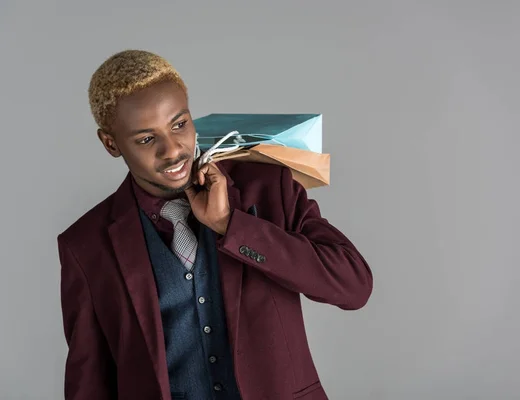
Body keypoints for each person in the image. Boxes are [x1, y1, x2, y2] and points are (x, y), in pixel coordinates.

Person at [57, 49, 373, 400]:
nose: (172, 149)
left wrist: (230, 224)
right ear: (111, 144)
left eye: (179, 124)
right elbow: (88, 383)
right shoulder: (85, 245)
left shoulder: (267, 188)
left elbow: (353, 286)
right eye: (147, 139)